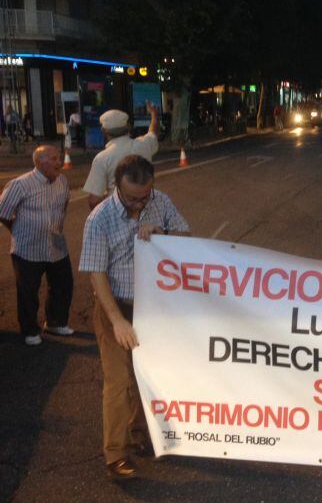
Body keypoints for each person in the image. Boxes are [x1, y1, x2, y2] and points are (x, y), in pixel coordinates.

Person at [80, 155, 190, 479]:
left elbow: (187, 239)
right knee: (118, 380)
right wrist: (117, 320)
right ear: (116, 187)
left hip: (152, 308)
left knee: (146, 376)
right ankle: (115, 452)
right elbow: (96, 274)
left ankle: (142, 434)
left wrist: (163, 233)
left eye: (144, 197)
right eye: (131, 198)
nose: (139, 205)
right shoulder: (99, 219)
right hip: (115, 306)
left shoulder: (161, 202)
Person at [0, 146, 74, 345]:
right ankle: (30, 330)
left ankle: (56, 322)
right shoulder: (20, 185)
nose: (59, 162)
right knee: (28, 292)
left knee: (62, 285)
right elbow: (3, 212)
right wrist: (18, 230)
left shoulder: (62, 181)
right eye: (54, 158)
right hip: (28, 249)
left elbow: (64, 205)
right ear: (40, 163)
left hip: (56, 246)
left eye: (59, 158)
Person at [82, 102, 159, 210]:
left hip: (117, 216)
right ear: (128, 127)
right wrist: (154, 114)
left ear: (104, 131)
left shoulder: (102, 158)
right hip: (146, 210)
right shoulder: (144, 145)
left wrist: (112, 197)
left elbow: (93, 201)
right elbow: (153, 132)